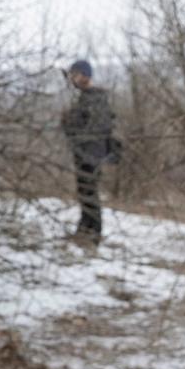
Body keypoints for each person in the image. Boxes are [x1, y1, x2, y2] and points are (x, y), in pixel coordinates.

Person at [60, 59, 118, 246]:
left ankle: (94, 235)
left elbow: (96, 129)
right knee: (84, 193)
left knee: (90, 194)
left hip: (91, 155)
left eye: (74, 75)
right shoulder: (86, 97)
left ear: (85, 76)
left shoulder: (95, 98)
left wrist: (71, 124)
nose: (72, 79)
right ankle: (84, 230)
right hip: (83, 153)